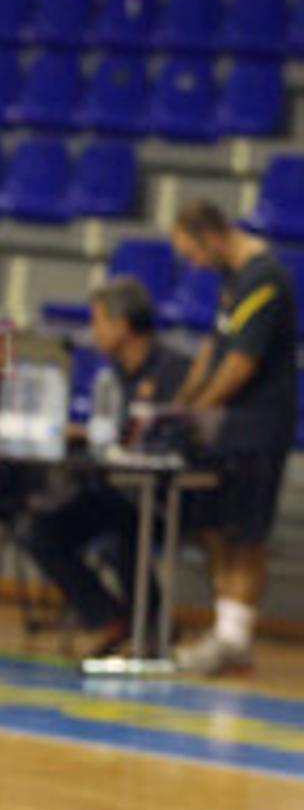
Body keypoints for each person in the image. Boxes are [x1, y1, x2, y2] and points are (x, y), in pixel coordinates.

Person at [20, 276, 189, 661]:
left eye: (98, 321)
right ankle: (109, 617)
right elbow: (112, 432)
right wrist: (84, 435)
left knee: (121, 533)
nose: (92, 332)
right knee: (39, 529)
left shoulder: (175, 370)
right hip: (114, 490)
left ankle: (153, 624)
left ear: (122, 324)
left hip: (164, 496)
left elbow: (175, 437)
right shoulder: (111, 375)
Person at [169, 199, 298, 675]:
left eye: (194, 252)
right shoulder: (233, 280)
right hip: (230, 429)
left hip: (258, 428)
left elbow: (241, 364)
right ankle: (227, 630)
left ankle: (234, 639)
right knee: (219, 529)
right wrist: (182, 402)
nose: (194, 265)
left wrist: (202, 407)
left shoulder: (264, 279)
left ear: (213, 236)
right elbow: (213, 347)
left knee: (247, 534)